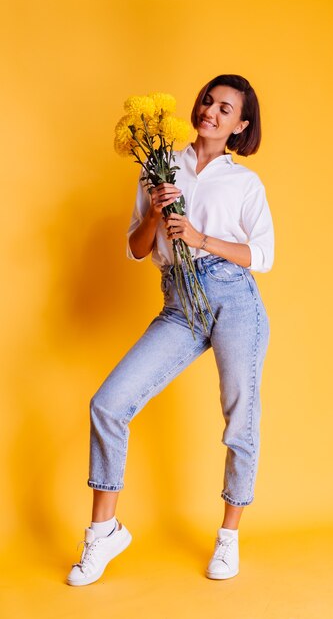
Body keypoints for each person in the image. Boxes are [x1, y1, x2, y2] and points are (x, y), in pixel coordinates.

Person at [66, 74, 274, 586]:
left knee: (239, 415)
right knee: (108, 404)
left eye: (227, 109)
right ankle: (104, 532)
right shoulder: (159, 164)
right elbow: (137, 249)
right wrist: (157, 214)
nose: (212, 112)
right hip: (179, 302)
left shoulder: (244, 183)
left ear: (241, 125)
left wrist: (202, 237)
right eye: (209, 101)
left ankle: (228, 537)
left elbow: (263, 255)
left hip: (233, 298)